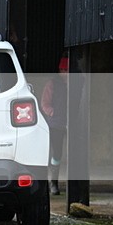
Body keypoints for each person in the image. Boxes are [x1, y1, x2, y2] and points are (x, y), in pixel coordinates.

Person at [41, 56, 69, 195]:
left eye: (67, 70)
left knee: (64, 154)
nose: (64, 73)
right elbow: (45, 103)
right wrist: (53, 113)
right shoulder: (52, 84)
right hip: (55, 124)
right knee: (55, 153)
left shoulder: (76, 83)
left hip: (70, 122)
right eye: (62, 70)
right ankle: (53, 183)